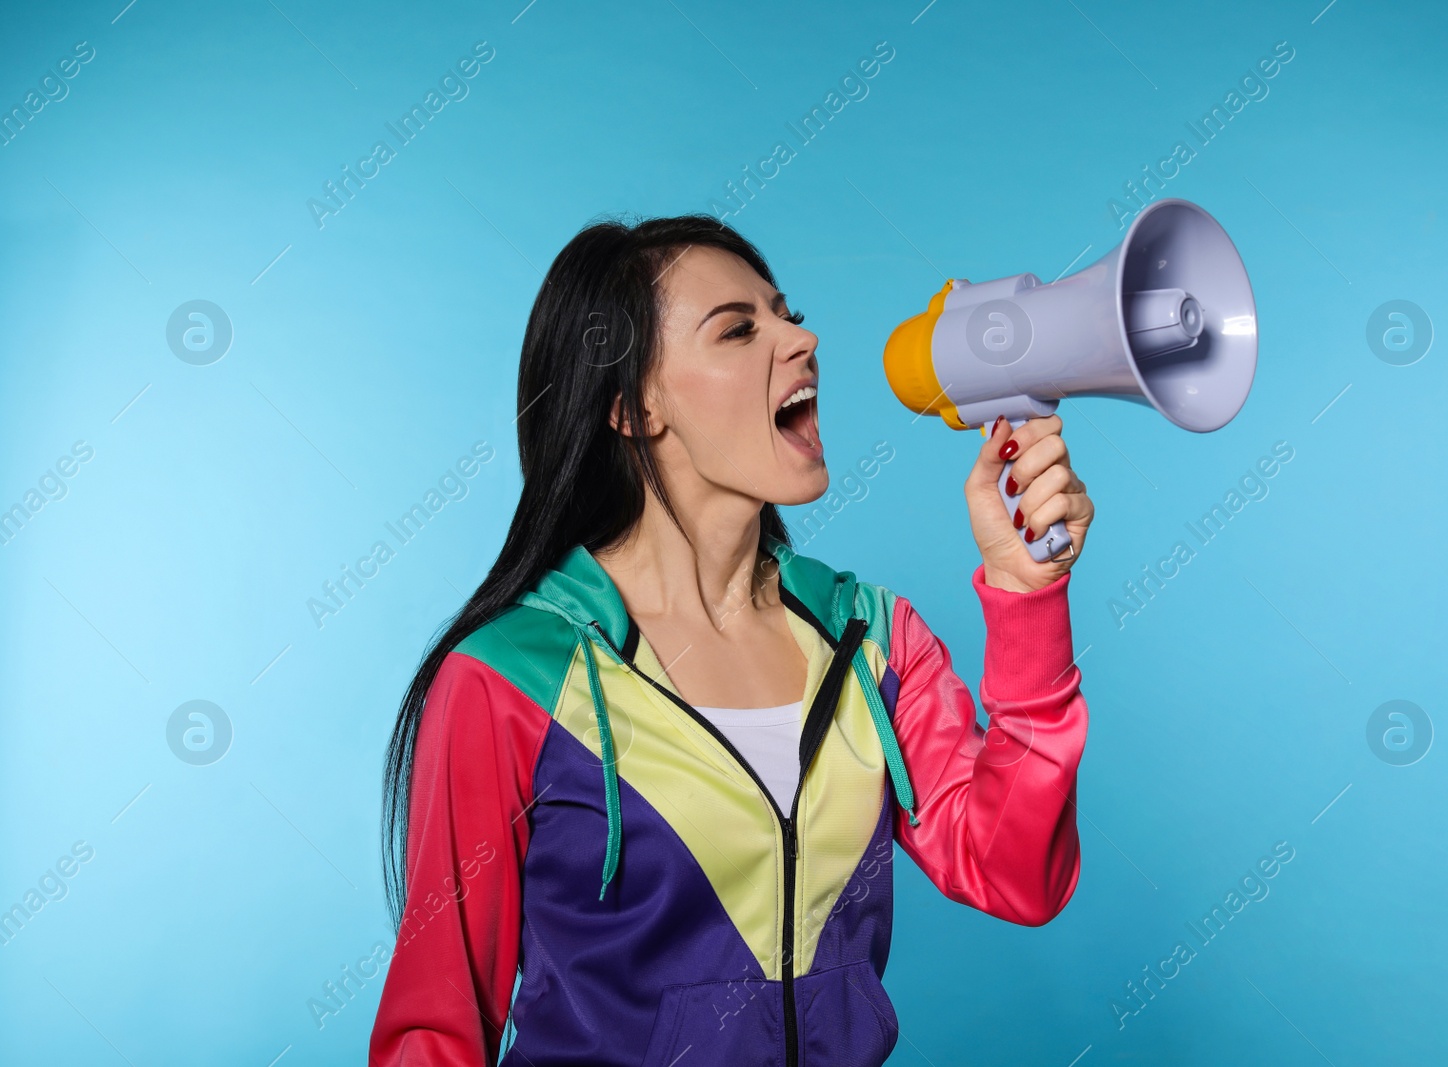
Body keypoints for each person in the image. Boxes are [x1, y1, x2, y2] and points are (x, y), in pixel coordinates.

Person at [369, 213, 1093, 1067]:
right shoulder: (513, 679)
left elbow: (1017, 872)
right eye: (740, 328)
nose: (803, 337)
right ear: (634, 407)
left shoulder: (871, 641)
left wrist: (1025, 595)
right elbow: (435, 1033)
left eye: (787, 313)